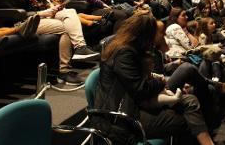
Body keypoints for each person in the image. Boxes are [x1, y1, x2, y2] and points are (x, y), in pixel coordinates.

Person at [92, 13, 216, 145]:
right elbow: (140, 89)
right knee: (185, 120)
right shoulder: (124, 52)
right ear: (144, 35)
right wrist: (161, 82)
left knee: (190, 100)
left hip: (133, 104)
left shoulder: (129, 48)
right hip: (119, 118)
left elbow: (141, 85)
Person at [0, 0, 100, 85]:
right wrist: (42, 13)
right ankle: (65, 70)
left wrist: (52, 8)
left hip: (42, 17)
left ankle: (79, 49)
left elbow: (43, 3)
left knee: (70, 12)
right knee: (67, 27)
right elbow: (15, 15)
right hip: (24, 23)